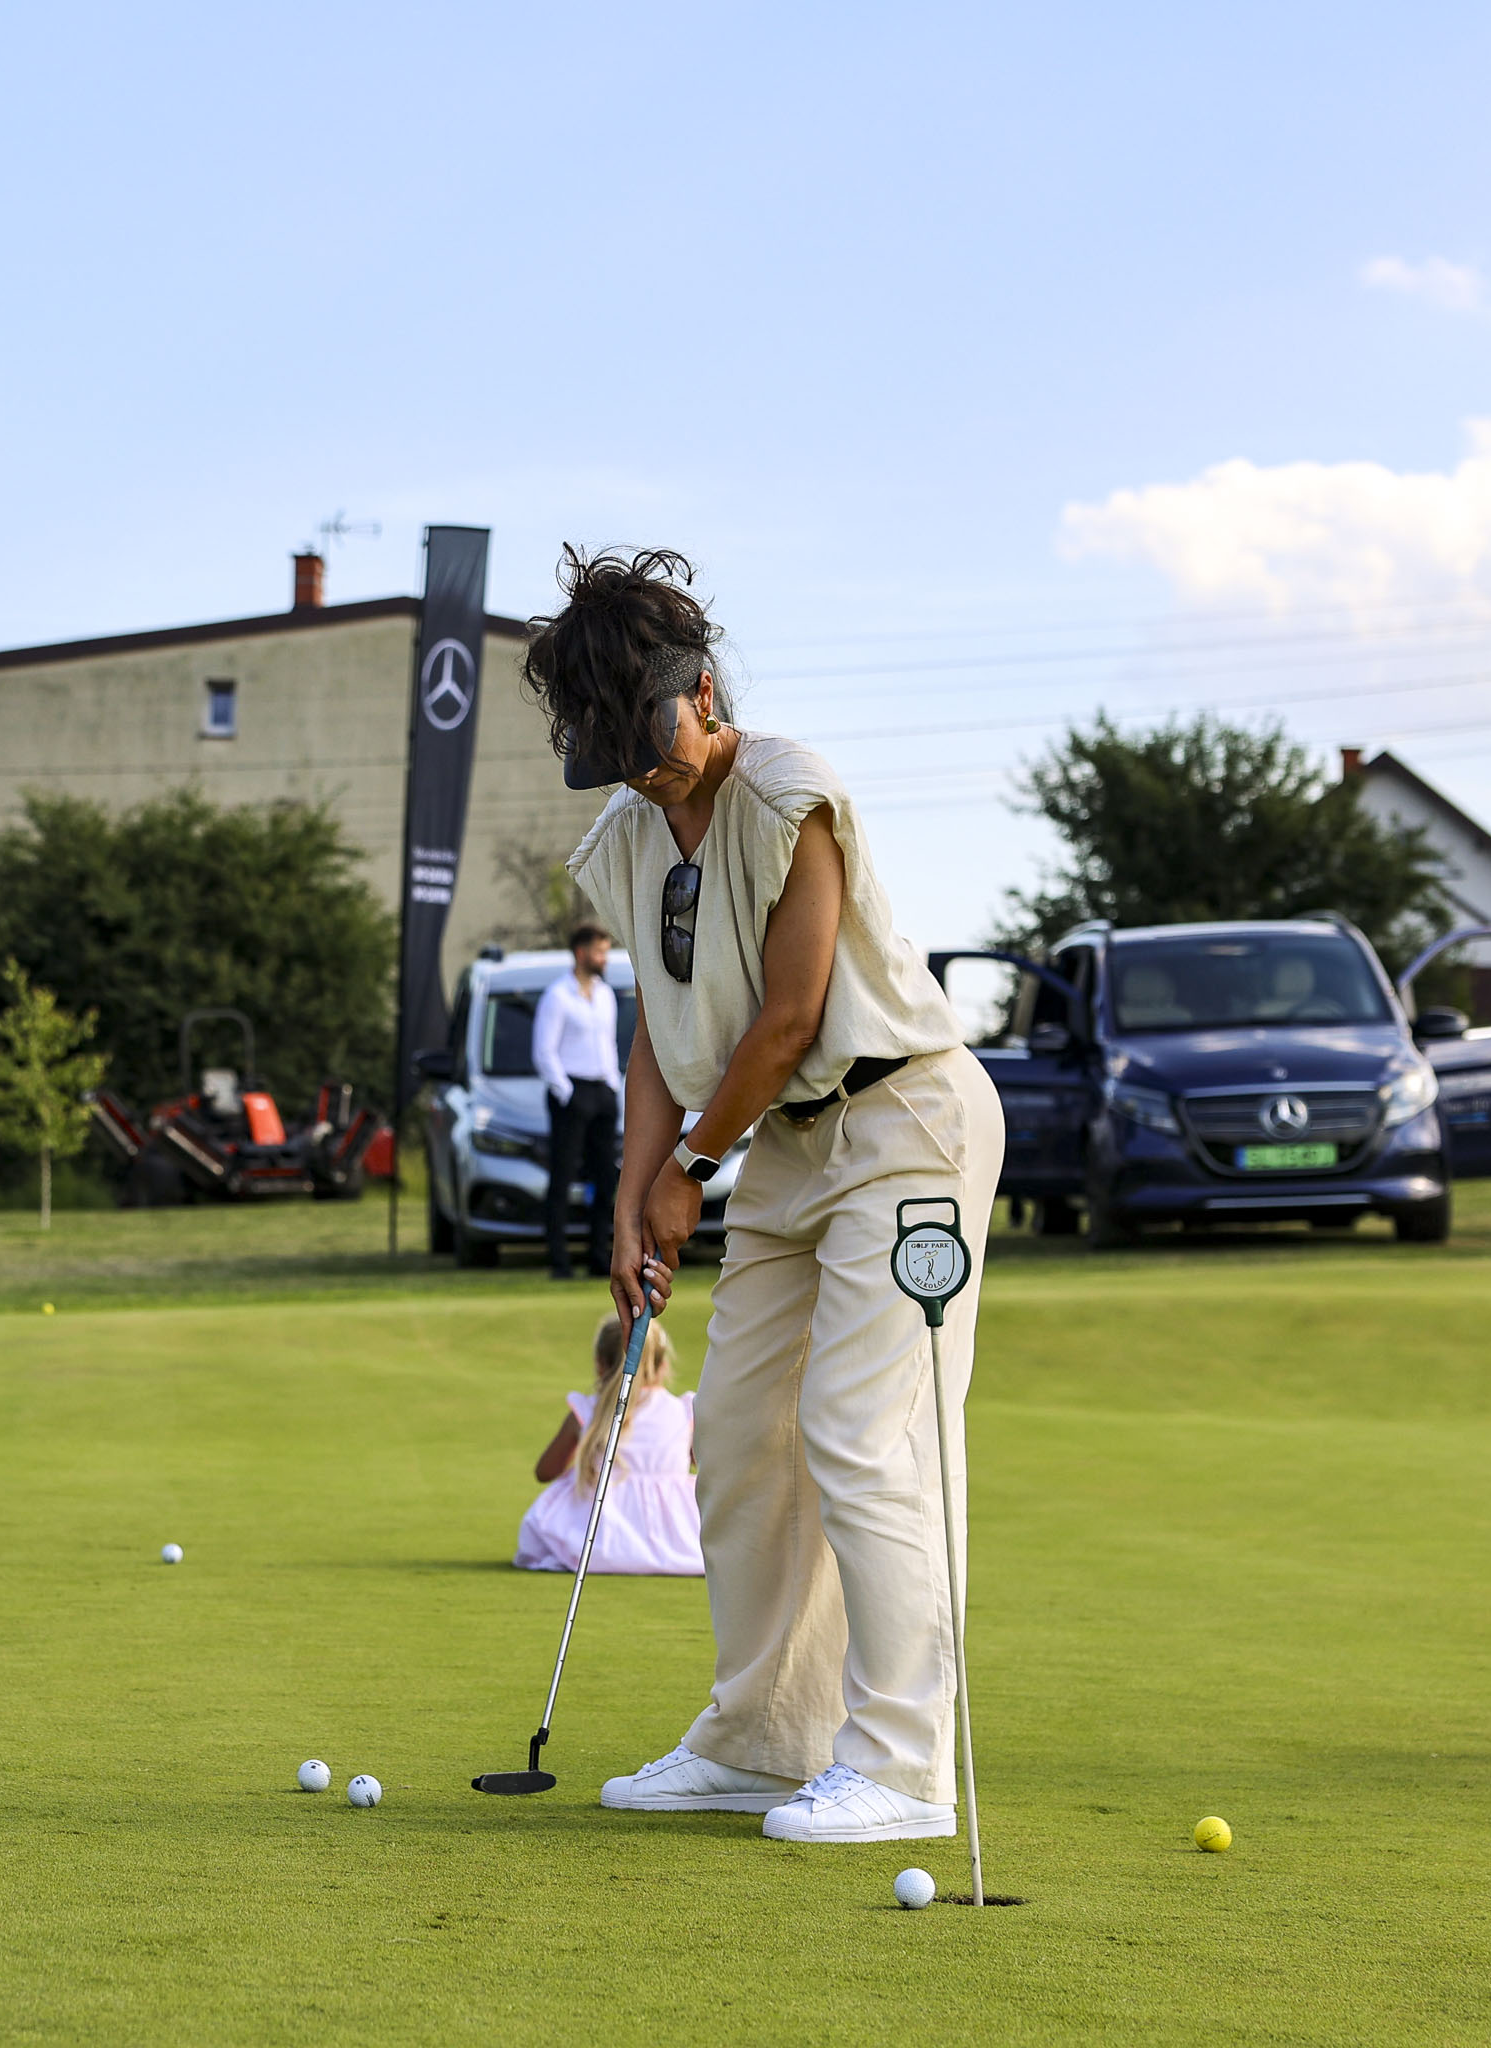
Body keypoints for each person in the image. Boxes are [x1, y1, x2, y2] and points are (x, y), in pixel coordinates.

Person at [529, 547, 1002, 1846]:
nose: (641, 768)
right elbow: (654, 1029)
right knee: (734, 1436)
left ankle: (903, 1767)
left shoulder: (790, 789)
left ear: (703, 688)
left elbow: (790, 1015)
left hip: (906, 1121)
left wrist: (688, 1176)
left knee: (861, 1430)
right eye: (611, 748)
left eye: (650, 736)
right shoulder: (624, 836)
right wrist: (632, 1201)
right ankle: (762, 1738)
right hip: (790, 1149)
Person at [515, 1311, 700, 1576]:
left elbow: (545, 1472)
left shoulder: (589, 1410)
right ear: (662, 1366)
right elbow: (705, 1465)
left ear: (600, 1364)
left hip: (598, 1538)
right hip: (677, 1539)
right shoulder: (684, 1411)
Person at [532, 922, 623, 1280]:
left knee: (605, 1176)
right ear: (581, 953)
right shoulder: (558, 996)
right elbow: (544, 1051)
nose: (604, 958)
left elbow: (610, 1044)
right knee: (563, 1174)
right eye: (599, 951)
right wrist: (567, 1092)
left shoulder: (605, 994)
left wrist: (613, 1084)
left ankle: (599, 1255)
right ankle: (559, 1260)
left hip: (602, 1090)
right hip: (572, 1092)